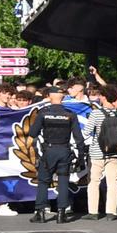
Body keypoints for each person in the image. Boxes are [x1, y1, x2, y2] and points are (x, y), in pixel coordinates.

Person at [32, 86, 86, 225]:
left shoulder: (44, 113)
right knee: (63, 181)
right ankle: (61, 213)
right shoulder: (70, 114)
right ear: (62, 97)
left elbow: (33, 133)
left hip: (49, 150)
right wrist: (80, 157)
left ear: (50, 96)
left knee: (44, 181)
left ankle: (40, 212)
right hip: (64, 150)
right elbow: (78, 137)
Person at [87, 89, 117, 219]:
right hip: (115, 152)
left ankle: (93, 212)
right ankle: (111, 212)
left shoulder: (96, 113)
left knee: (94, 182)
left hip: (98, 152)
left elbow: (87, 131)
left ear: (103, 97)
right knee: (113, 182)